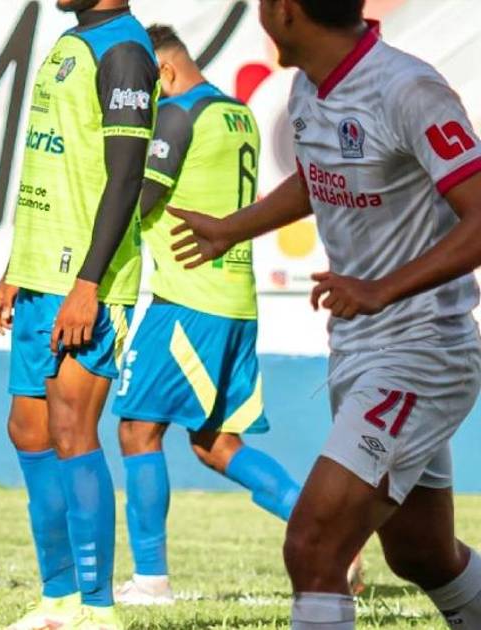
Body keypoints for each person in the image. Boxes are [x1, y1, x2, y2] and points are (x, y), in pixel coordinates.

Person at [171, 1, 481, 627]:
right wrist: (232, 229)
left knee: (314, 545)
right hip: (362, 350)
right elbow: (317, 178)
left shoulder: (407, 88)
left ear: (286, 10)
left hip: (422, 352)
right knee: (421, 554)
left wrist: (382, 289)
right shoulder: (309, 88)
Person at [110, 24, 303, 606]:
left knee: (137, 429)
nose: (138, 99)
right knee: (214, 443)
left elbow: (137, 200)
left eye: (143, 85)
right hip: (234, 301)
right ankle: (326, 532)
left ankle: (150, 582)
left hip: (188, 300)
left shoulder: (177, 115)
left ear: (165, 72)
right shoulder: (237, 114)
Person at [0, 1, 157, 628]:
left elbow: (125, 178)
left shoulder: (124, 51)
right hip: (40, 274)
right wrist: (16, 264)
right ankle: (57, 600)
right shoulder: (71, 42)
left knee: (71, 430)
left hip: (87, 281)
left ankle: (98, 609)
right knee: (28, 430)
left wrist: (89, 284)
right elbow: (51, 163)